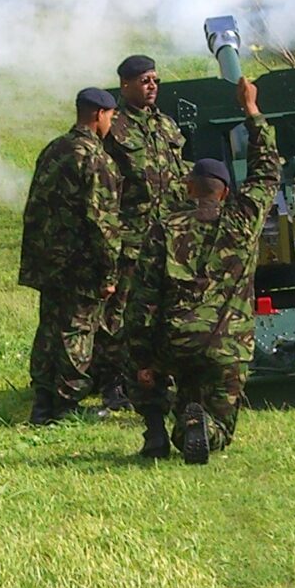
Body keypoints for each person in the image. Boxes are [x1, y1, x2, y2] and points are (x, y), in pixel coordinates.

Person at [130, 75, 282, 464]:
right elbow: (267, 171)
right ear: (226, 192)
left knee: (170, 384)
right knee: (220, 425)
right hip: (227, 344)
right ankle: (200, 429)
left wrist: (144, 360)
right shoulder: (242, 220)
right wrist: (251, 110)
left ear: (189, 187)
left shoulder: (165, 229)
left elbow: (143, 300)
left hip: (176, 344)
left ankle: (155, 434)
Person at [17, 87, 123, 426]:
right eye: (110, 116)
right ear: (97, 115)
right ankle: (64, 405)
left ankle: (43, 402)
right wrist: (109, 274)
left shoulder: (53, 150)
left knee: (50, 328)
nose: (111, 123)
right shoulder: (95, 158)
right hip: (80, 265)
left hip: (48, 261)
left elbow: (34, 208)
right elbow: (102, 223)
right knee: (77, 331)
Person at [99, 53, 189, 411]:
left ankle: (159, 375)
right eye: (145, 81)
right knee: (119, 314)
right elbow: (102, 183)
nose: (152, 86)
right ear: (125, 84)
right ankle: (113, 384)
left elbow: (179, 175)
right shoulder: (113, 127)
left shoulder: (165, 125)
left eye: (155, 80)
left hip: (166, 238)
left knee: (164, 309)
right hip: (130, 238)